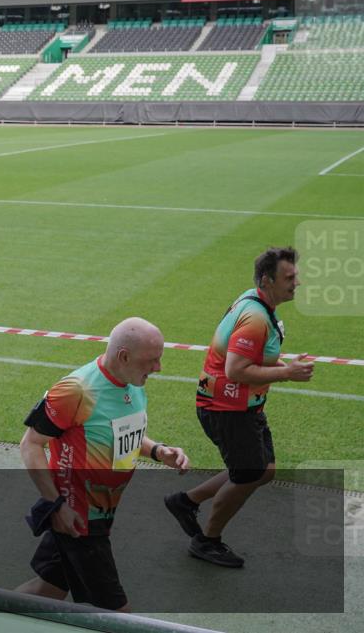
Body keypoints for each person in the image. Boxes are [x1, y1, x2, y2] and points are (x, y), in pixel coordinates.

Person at [17, 317, 190, 611]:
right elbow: (31, 444)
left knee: (47, 589)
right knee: (117, 616)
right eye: (152, 360)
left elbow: (117, 431)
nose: (158, 367)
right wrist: (56, 506)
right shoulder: (76, 390)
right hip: (78, 520)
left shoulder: (132, 382)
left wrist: (158, 451)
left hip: (100, 513)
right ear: (124, 356)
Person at [164, 247, 313, 569]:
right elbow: (235, 369)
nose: (297, 283)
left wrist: (284, 365)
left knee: (264, 470)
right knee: (247, 474)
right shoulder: (255, 318)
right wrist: (287, 373)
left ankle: (185, 502)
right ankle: (207, 541)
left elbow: (253, 355)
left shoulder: (256, 301)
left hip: (244, 406)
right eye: (289, 277)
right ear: (267, 280)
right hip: (226, 409)